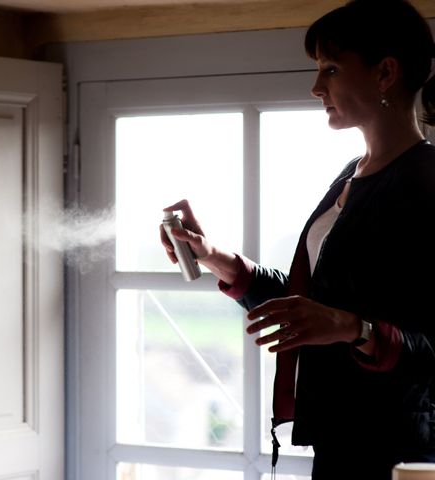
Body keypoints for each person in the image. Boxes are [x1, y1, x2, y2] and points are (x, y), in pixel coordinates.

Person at [160, 1, 435, 478]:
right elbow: (313, 308)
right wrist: (219, 260)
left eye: (330, 69)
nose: (315, 87)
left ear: (385, 73)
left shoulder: (427, 182)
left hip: (397, 450)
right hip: (340, 436)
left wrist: (355, 328)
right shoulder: (351, 174)